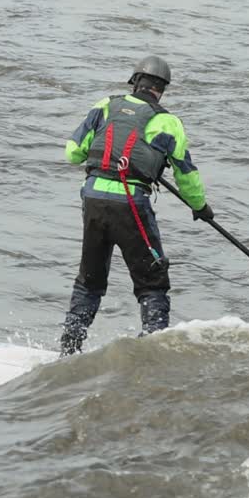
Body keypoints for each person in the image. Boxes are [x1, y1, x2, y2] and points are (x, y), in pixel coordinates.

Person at [59, 55, 213, 356]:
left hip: (93, 200)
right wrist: (201, 207)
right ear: (162, 90)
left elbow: (73, 153)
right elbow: (187, 174)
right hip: (131, 206)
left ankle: (68, 348)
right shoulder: (168, 122)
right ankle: (154, 350)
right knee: (152, 283)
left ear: (134, 82)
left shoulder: (104, 106)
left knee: (89, 281)